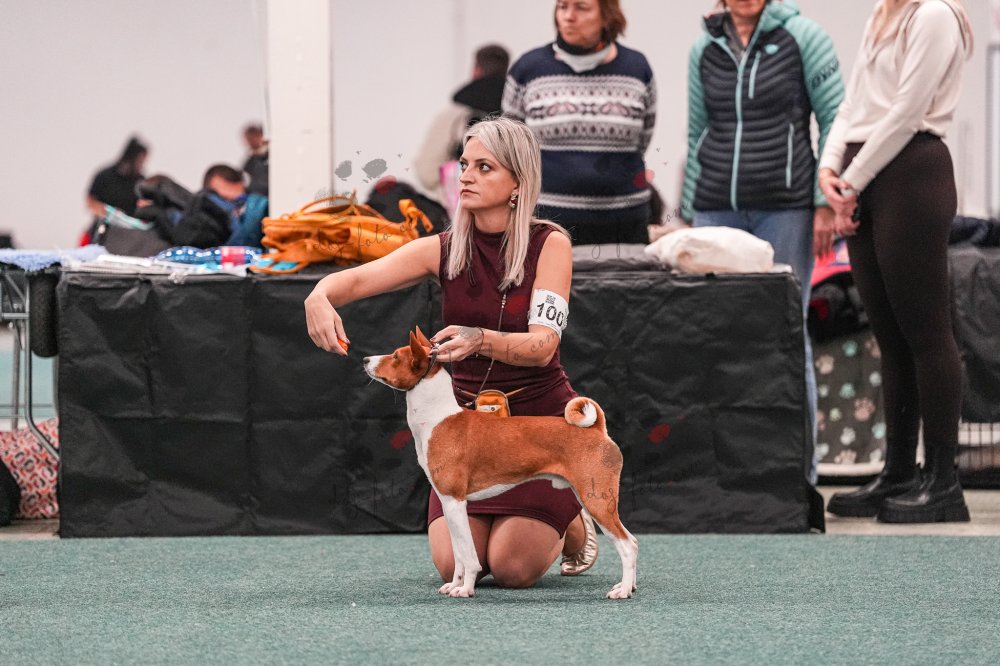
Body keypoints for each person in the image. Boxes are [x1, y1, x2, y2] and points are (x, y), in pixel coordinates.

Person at [305, 117, 599, 589]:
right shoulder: (443, 248)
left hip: (535, 428)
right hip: (468, 435)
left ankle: (573, 522)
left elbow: (544, 347)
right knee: (453, 566)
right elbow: (357, 280)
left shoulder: (551, 244)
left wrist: (481, 338)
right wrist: (319, 295)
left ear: (518, 182)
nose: (466, 176)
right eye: (464, 165)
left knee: (512, 568)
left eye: (484, 167)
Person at [819, 0, 974, 523]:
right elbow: (852, 105)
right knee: (889, 335)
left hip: (911, 173)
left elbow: (908, 111)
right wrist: (829, 170)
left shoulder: (932, 14)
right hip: (867, 176)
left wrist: (850, 181)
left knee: (927, 332)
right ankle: (900, 472)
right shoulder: (881, 14)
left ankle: (944, 483)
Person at [680, 0, 845, 483]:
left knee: (787, 333)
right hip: (716, 208)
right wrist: (688, 214)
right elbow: (696, 133)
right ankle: (729, 474)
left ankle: (800, 475)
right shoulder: (704, 46)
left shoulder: (805, 36)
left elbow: (835, 120)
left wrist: (823, 203)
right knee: (718, 339)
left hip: (786, 209)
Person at [502, 0, 656, 246]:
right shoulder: (528, 69)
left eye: (581, 7)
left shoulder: (637, 68)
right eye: (562, 6)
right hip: (547, 222)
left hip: (625, 221)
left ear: (607, 15)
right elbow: (510, 150)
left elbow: (643, 140)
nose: (568, 16)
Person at [414, 44, 510, 209]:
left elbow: (426, 173)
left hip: (456, 212)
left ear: (476, 70)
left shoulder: (453, 117)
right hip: (504, 212)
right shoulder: (517, 119)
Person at [84, 136, 149, 243]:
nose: (142, 165)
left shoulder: (140, 181)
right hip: (102, 231)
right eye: (141, 160)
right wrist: (111, 214)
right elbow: (90, 201)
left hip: (129, 235)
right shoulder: (105, 176)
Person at [242, 123, 269, 197]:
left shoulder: (272, 154)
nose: (249, 142)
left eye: (252, 137)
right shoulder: (250, 161)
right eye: (248, 139)